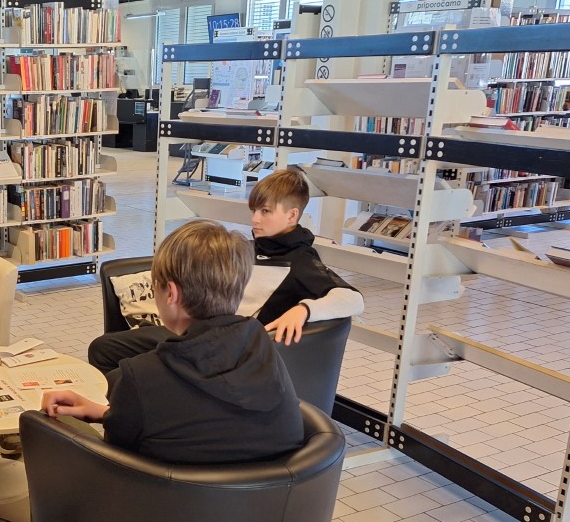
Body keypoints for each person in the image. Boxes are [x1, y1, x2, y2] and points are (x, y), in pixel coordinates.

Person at [43, 219, 303, 464]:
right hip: (269, 494)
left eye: (155, 285)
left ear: (172, 294)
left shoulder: (141, 377)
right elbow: (205, 421)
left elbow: (117, 457)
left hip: (158, 495)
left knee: (42, 425)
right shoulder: (265, 351)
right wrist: (104, 413)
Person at [87, 167, 364, 374]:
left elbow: (353, 299)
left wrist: (304, 310)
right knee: (112, 345)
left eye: (265, 212)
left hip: (223, 348)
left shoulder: (301, 261)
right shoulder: (252, 247)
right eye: (254, 210)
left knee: (104, 350)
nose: (255, 219)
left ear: (292, 215)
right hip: (202, 330)